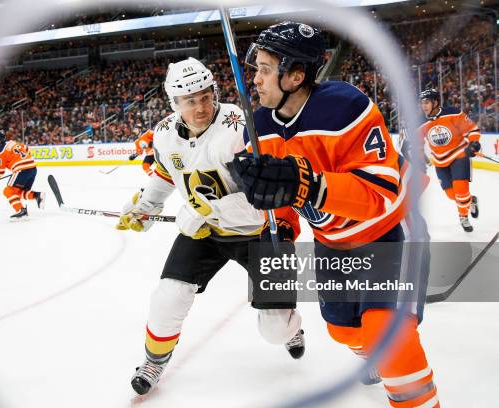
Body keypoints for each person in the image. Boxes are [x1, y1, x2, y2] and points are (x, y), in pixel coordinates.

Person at [230, 22, 438, 407]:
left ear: (295, 75)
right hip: (332, 242)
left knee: (386, 335)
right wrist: (279, 229)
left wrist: (305, 184)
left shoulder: (345, 107)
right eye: (254, 67)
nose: (254, 80)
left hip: (389, 230)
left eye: (263, 69)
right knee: (343, 329)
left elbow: (380, 192)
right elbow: (282, 199)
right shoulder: (258, 128)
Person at [116, 57, 305, 396]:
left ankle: (289, 327)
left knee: (274, 332)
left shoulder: (241, 127)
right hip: (206, 234)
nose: (201, 106)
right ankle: (154, 360)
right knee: (167, 298)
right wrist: (143, 207)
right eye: (190, 101)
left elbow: (268, 194)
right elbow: (164, 175)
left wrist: (211, 209)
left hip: (260, 231)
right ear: (174, 103)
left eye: (206, 96)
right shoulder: (163, 135)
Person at [418, 88, 480, 232]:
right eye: (422, 103)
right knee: (452, 196)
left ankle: (463, 216)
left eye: (427, 102)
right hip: (439, 161)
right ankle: (471, 201)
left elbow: (472, 129)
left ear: (436, 102)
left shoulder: (453, 113)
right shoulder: (420, 122)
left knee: (461, 192)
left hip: (459, 155)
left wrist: (474, 143)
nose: (424, 106)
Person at [0, 134, 45, 220]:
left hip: (21, 169)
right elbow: (26, 148)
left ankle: (21, 211)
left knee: (8, 191)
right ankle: (37, 195)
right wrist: (22, 162)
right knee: (19, 192)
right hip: (32, 168)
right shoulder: (11, 143)